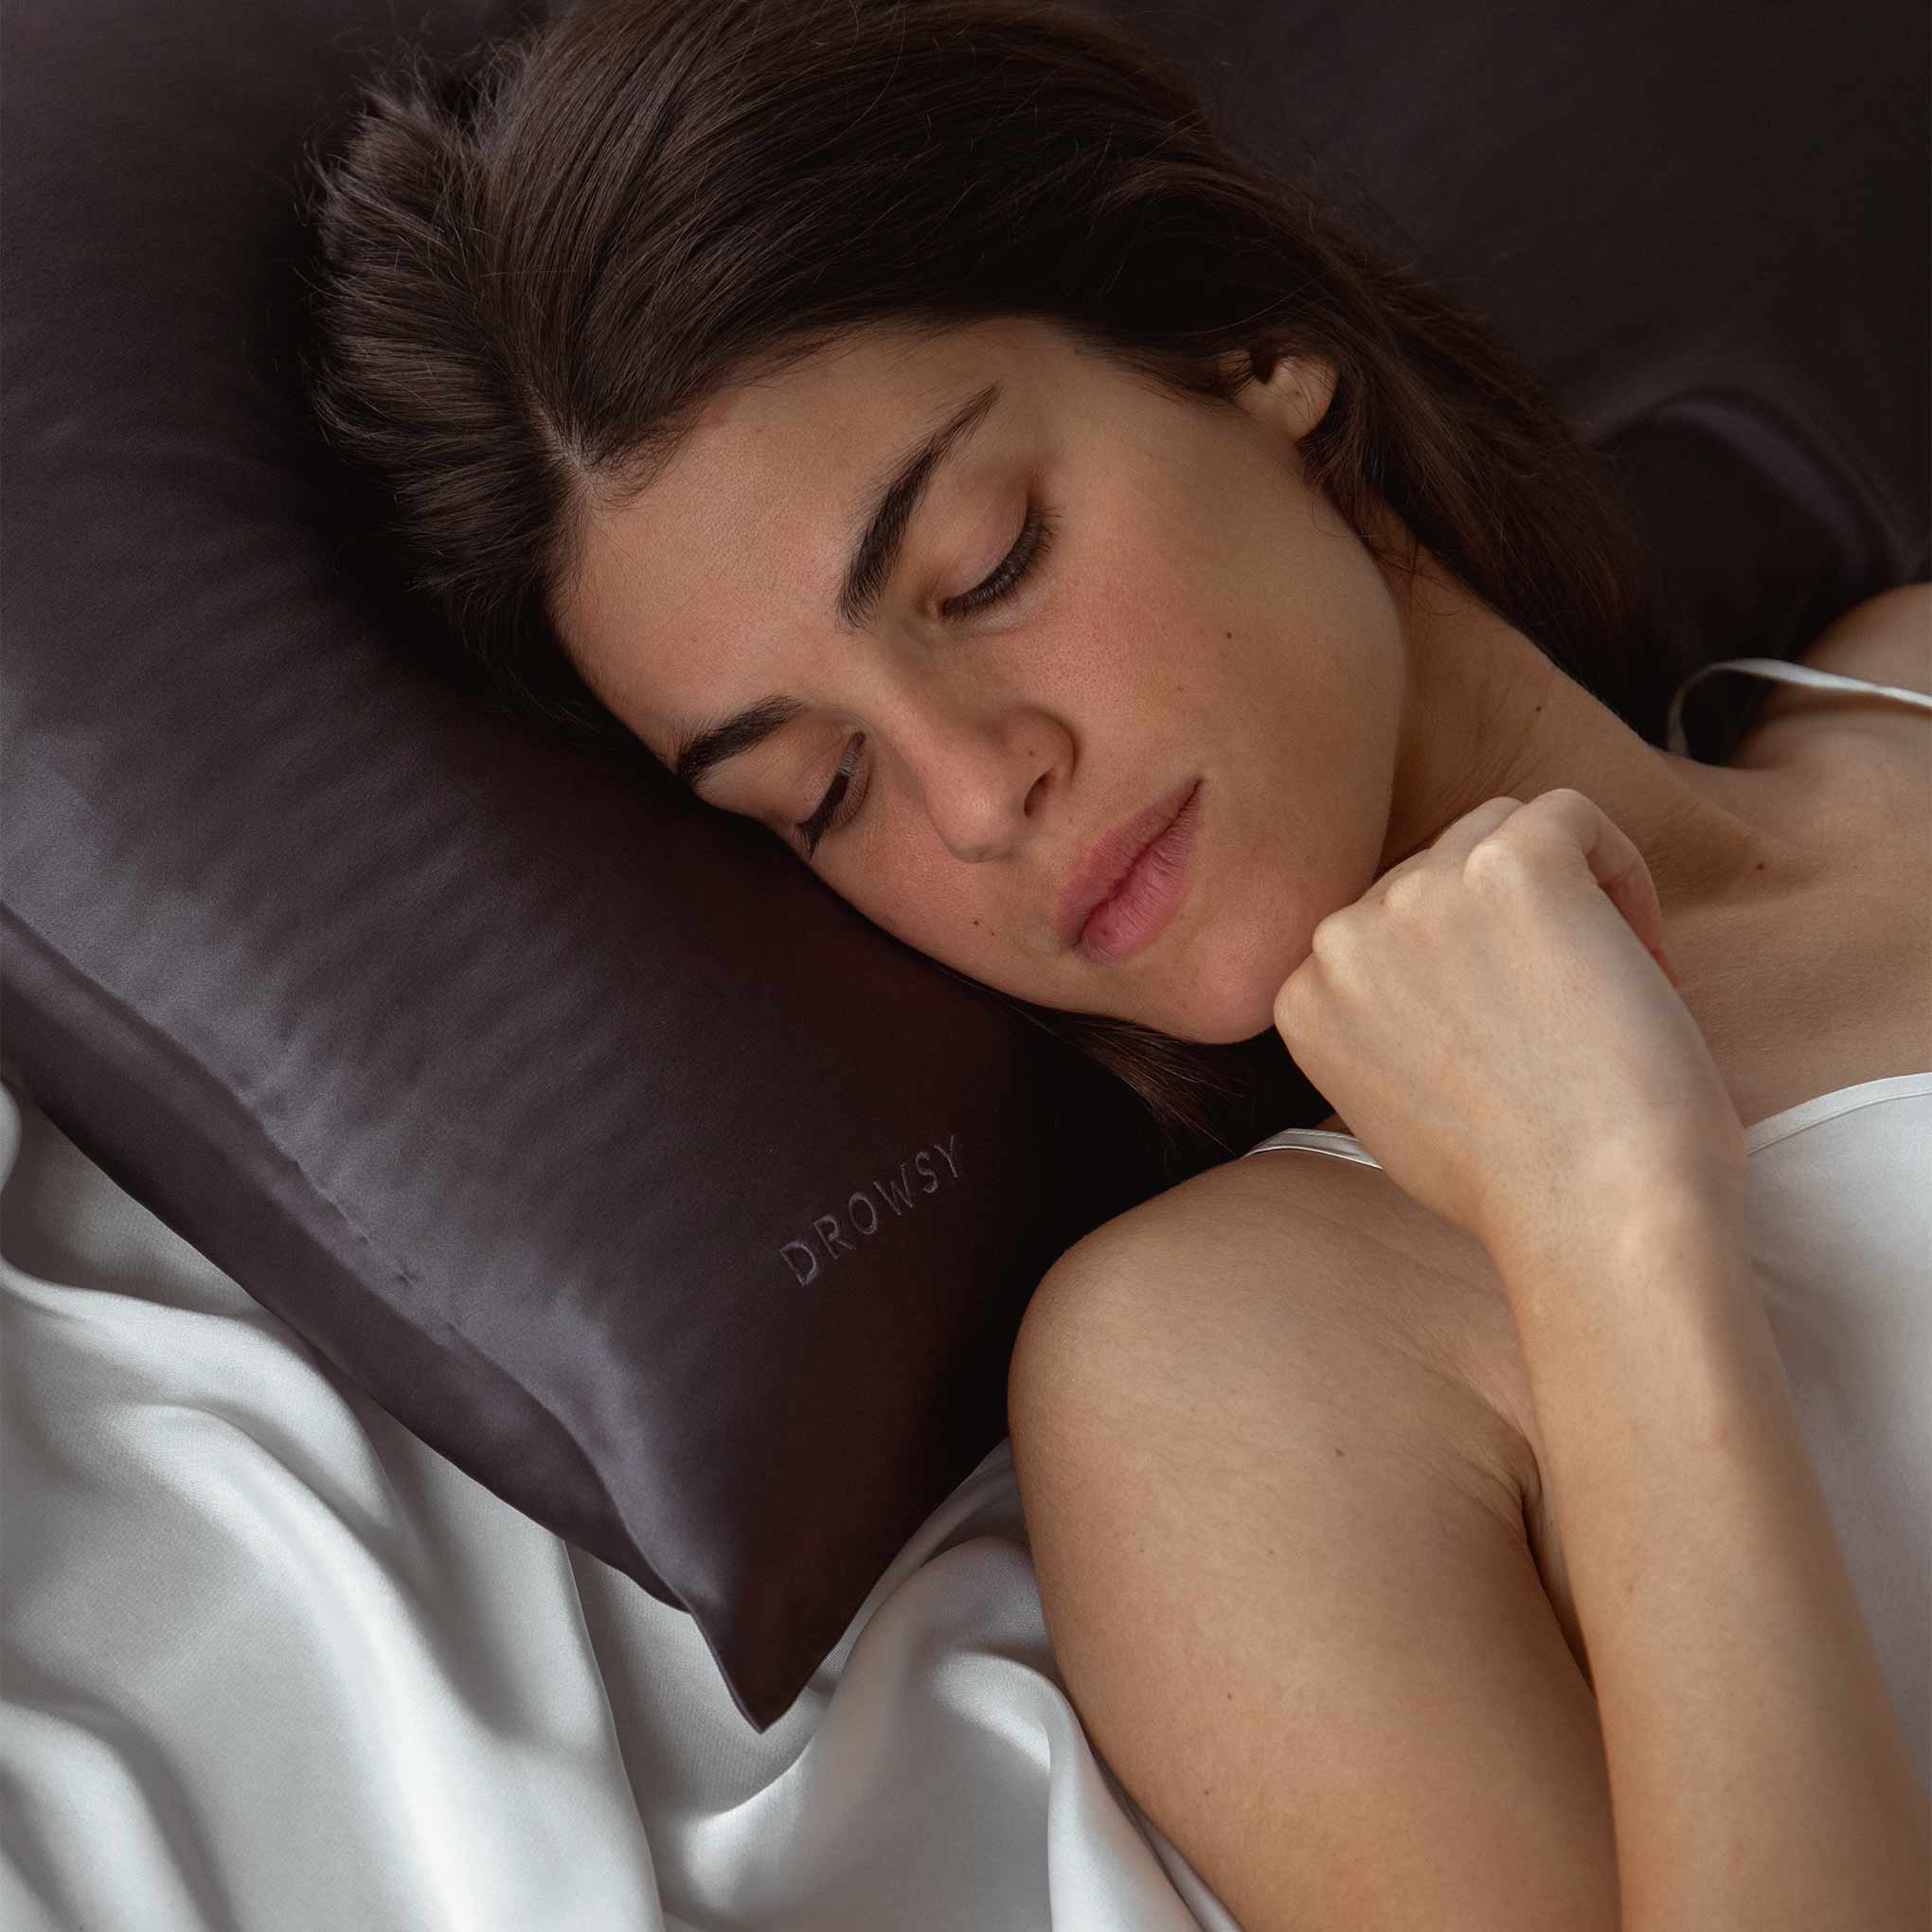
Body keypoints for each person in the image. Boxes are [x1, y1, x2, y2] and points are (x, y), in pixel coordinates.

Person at [297, 1, 1931, 1923]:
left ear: (1251, 348)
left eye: (986, 568)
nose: (984, 797)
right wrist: (1609, 1228)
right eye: (827, 791)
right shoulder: (1221, 1372)